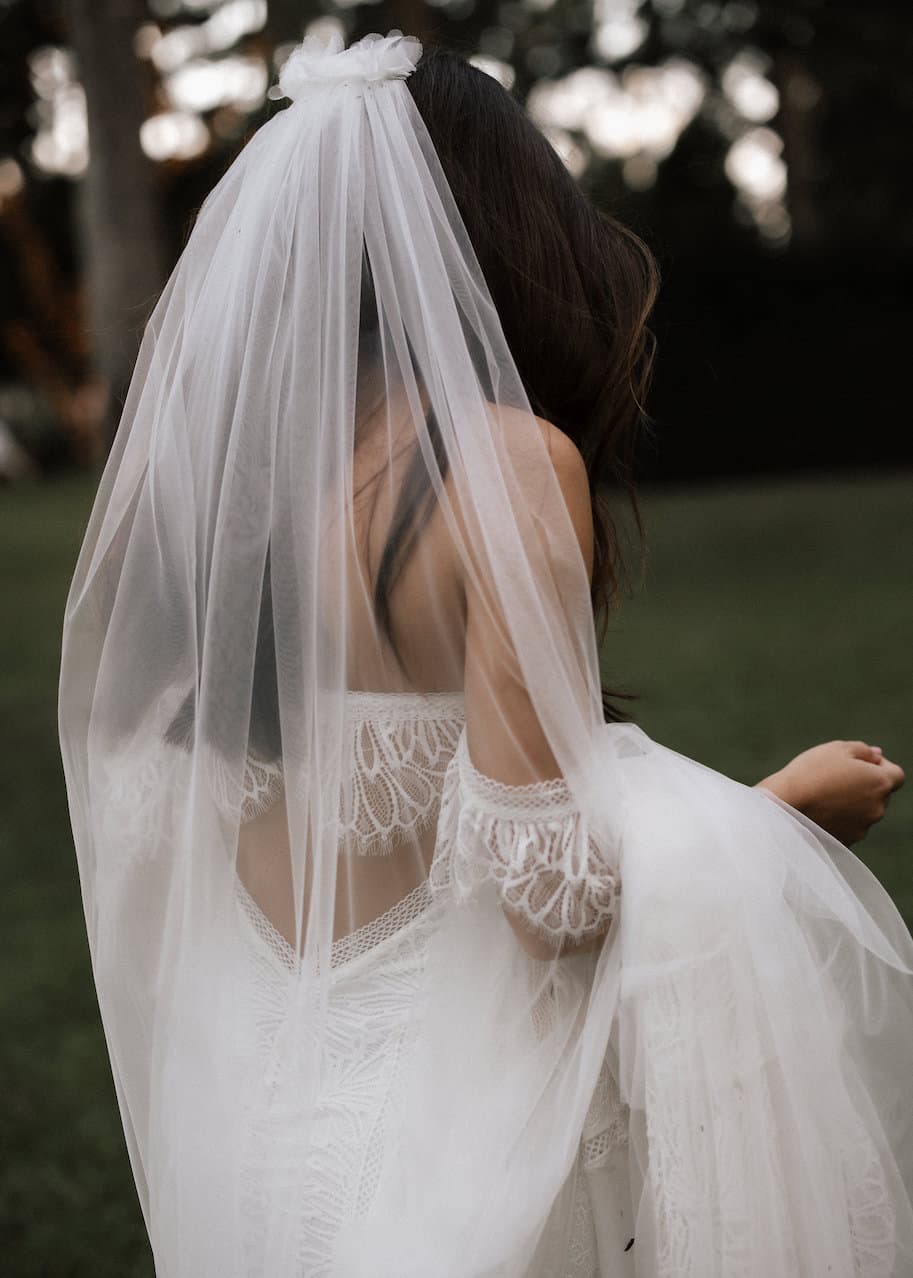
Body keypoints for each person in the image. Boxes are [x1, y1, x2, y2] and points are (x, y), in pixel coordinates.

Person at [59, 31, 913, 1278]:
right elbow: (550, 907)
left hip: (245, 1144)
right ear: (501, 236)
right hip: (460, 1157)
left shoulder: (205, 490)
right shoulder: (501, 466)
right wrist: (782, 817)